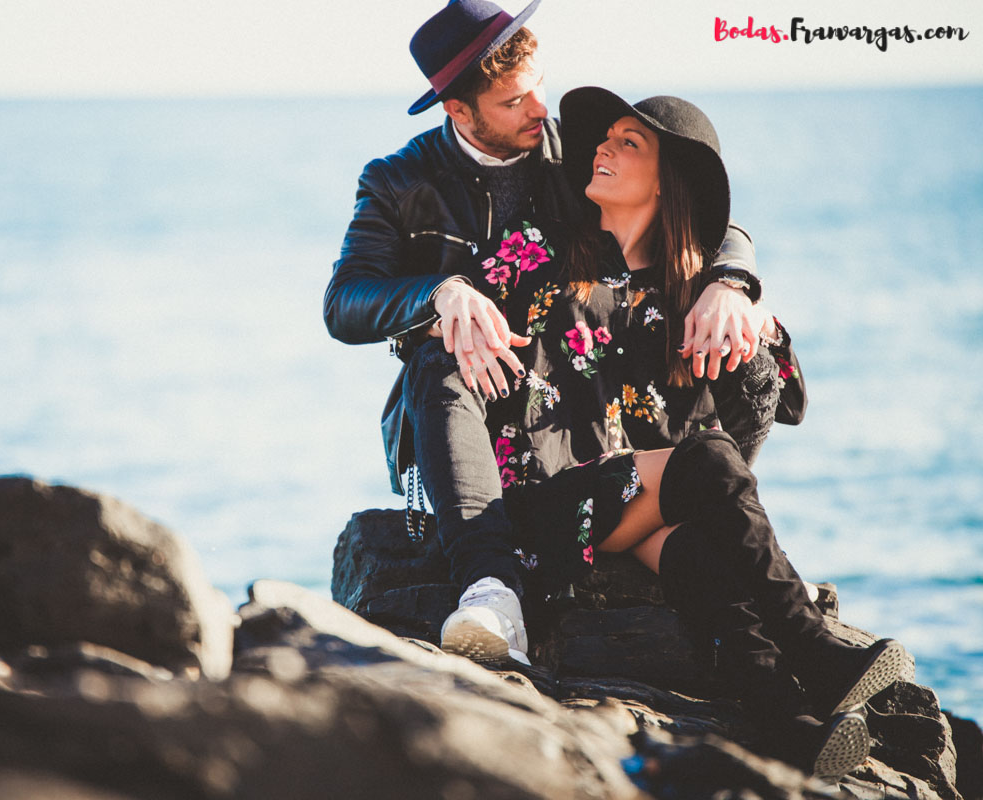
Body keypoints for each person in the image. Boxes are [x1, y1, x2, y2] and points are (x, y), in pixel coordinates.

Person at [443, 86, 905, 778]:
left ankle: (789, 725)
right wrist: (448, 293)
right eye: (605, 138)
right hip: (546, 514)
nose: (602, 146)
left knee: (698, 558)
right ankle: (812, 645)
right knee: (711, 462)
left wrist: (751, 305)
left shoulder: (691, 288)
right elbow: (452, 304)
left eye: (629, 142)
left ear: (668, 182)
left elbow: (786, 399)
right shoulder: (538, 254)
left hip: (637, 517)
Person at [323, 0, 769, 650]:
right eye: (514, 102)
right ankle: (491, 590)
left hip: (588, 401)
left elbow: (692, 207)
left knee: (755, 357)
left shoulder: (569, 150)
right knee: (440, 354)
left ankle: (699, 529)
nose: (539, 110)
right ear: (461, 112)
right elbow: (345, 302)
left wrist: (732, 281)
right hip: (472, 405)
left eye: (540, 89)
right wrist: (441, 293)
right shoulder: (398, 182)